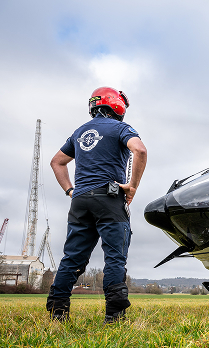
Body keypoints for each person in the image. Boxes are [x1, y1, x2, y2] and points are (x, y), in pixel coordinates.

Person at [47, 87, 147, 323]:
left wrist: (70, 190)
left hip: (80, 201)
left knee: (71, 258)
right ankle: (114, 317)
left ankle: (57, 314)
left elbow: (57, 162)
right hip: (109, 198)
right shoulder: (121, 128)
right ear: (117, 106)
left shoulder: (80, 132)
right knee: (114, 258)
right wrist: (132, 186)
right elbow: (140, 150)